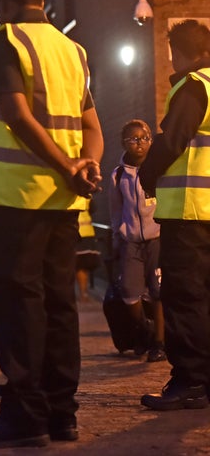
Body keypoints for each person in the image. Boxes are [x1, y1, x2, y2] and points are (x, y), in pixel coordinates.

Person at [0, 0, 103, 449]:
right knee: (59, 307)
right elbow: (93, 128)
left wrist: (67, 166)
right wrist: (87, 167)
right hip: (64, 204)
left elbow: (17, 116)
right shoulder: (73, 50)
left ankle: (25, 416)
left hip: (20, 201)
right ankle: (62, 414)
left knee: (18, 309)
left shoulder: (6, 40)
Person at [139, 19, 210, 411]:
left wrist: (148, 172)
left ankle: (190, 382)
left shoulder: (193, 86)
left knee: (184, 298)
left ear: (176, 51)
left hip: (190, 212)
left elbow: (174, 140)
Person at [109, 119, 165, 363]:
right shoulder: (118, 175)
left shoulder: (159, 169)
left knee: (158, 291)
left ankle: (159, 344)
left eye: (144, 138)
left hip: (157, 239)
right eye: (134, 139)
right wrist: (118, 234)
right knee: (129, 293)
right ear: (124, 143)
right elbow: (115, 209)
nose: (140, 143)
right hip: (130, 241)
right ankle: (144, 329)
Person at [75, 203, 101, 303]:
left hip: (82, 234)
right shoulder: (86, 196)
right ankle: (83, 294)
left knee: (82, 267)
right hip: (80, 234)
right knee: (81, 267)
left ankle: (83, 293)